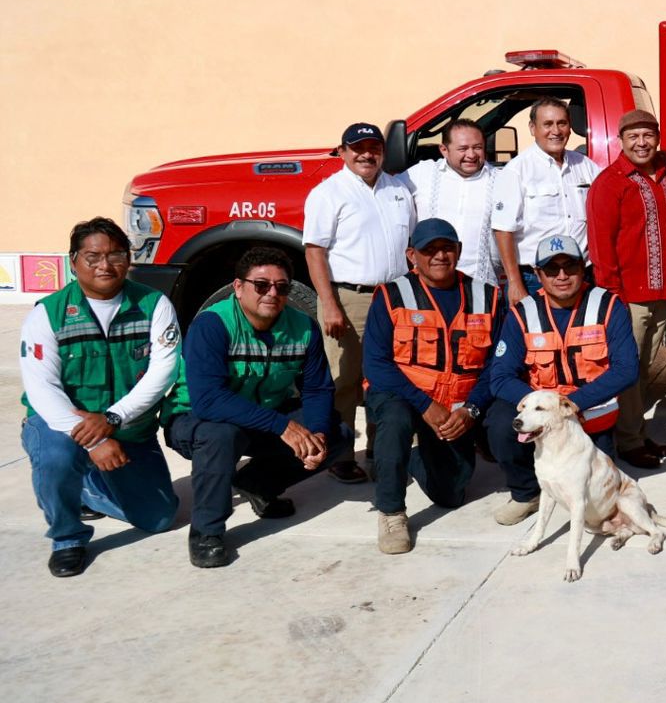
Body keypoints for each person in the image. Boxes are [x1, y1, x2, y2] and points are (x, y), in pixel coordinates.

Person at [18, 218, 179, 577]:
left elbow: (162, 371)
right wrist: (95, 442)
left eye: (116, 255)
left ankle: (89, 488)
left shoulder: (154, 305)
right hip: (62, 426)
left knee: (160, 518)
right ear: (73, 261)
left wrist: (113, 420)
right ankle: (67, 538)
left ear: (129, 259)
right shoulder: (48, 312)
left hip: (127, 427)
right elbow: (41, 388)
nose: (105, 265)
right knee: (57, 459)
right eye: (93, 257)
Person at [166, 247, 346, 568]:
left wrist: (315, 433)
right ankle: (207, 531)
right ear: (239, 287)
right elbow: (208, 401)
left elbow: (317, 388)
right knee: (221, 436)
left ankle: (258, 484)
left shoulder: (304, 327)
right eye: (261, 285)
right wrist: (283, 427)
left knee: (337, 433)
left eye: (282, 286)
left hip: (258, 416)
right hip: (195, 418)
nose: (272, 293)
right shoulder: (212, 324)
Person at [362, 219, 505, 554]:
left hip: (456, 404)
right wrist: (425, 406)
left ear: (458, 251)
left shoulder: (487, 296)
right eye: (429, 249)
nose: (439, 256)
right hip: (402, 394)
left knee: (450, 495)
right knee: (395, 423)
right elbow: (377, 365)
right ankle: (391, 512)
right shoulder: (391, 295)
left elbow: (497, 366)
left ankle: (417, 458)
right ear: (413, 255)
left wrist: (471, 410)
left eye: (447, 248)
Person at [486, 235, 639, 526]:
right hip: (542, 412)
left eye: (569, 266)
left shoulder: (608, 306)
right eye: (551, 269)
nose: (562, 276)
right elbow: (500, 377)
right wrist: (542, 406)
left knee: (597, 502)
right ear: (539, 274)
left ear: (583, 269)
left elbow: (627, 370)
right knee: (499, 423)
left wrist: (572, 404)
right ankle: (526, 492)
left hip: (589, 413)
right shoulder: (523, 313)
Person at [303, 121, 416, 485]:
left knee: (384, 378)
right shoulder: (328, 193)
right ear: (342, 152)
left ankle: (380, 450)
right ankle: (340, 455)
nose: (367, 154)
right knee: (344, 380)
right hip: (348, 297)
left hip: (393, 298)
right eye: (358, 148)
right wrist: (329, 304)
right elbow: (315, 252)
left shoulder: (398, 188)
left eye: (374, 147)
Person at [586, 108, 666, 470]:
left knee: (643, 371)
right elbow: (601, 246)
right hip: (629, 298)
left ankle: (637, 431)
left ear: (657, 138)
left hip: (661, 294)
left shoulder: (664, 175)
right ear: (621, 141)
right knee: (628, 370)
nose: (641, 143)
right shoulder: (610, 182)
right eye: (633, 137)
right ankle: (628, 441)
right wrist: (613, 298)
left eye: (647, 135)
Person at [493, 97, 601, 304]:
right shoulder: (517, 170)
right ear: (533, 128)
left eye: (562, 123)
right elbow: (503, 230)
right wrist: (515, 283)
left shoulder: (586, 166)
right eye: (548, 124)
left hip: (581, 276)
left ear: (570, 127)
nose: (556, 131)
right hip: (536, 279)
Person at [401, 117, 502, 287]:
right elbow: (385, 191)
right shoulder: (420, 174)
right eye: (463, 148)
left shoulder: (501, 180)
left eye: (477, 148)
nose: (471, 155)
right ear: (444, 150)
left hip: (482, 288)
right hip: (427, 287)